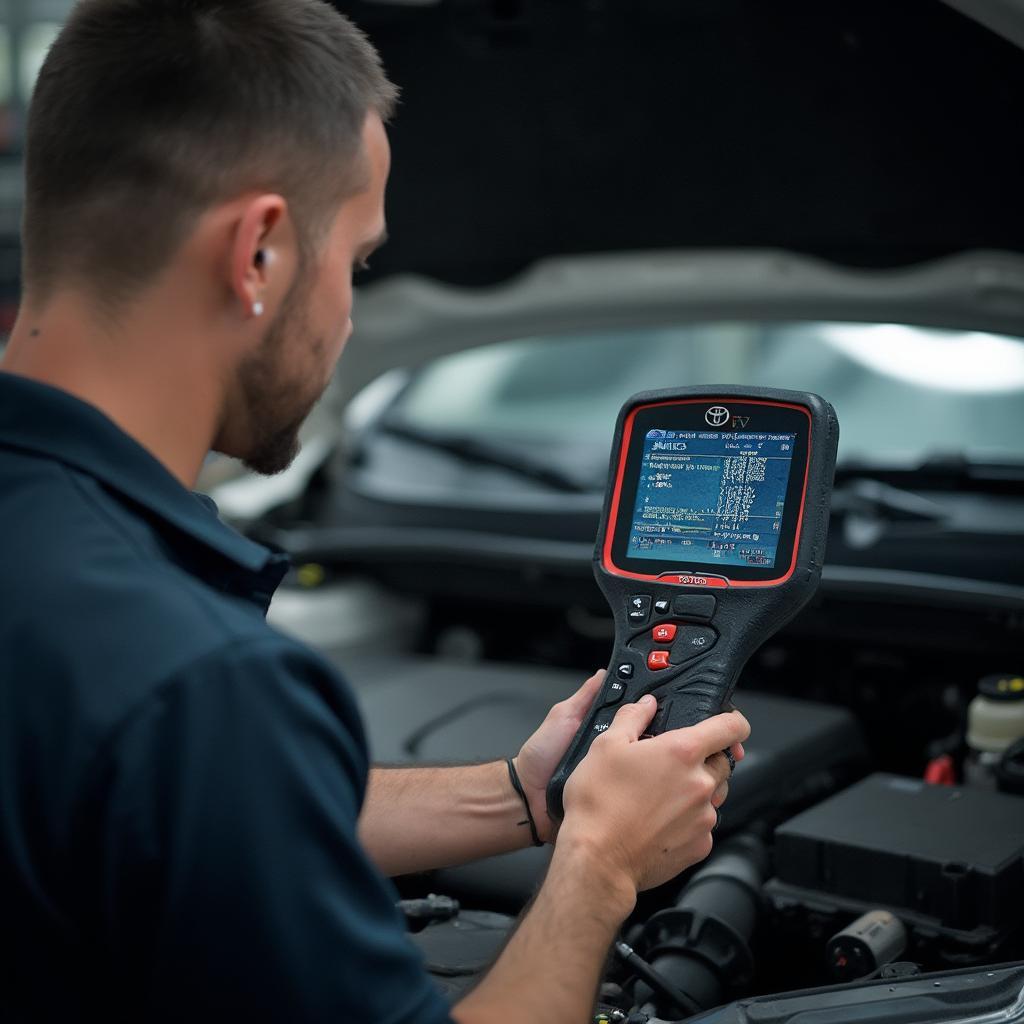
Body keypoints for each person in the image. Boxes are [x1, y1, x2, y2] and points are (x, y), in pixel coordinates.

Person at [0, 1, 750, 1020]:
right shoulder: (193, 680)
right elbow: (200, 757)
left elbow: (203, 816)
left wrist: (526, 796)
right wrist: (598, 861)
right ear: (258, 253)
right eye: (356, 263)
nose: (351, 313)